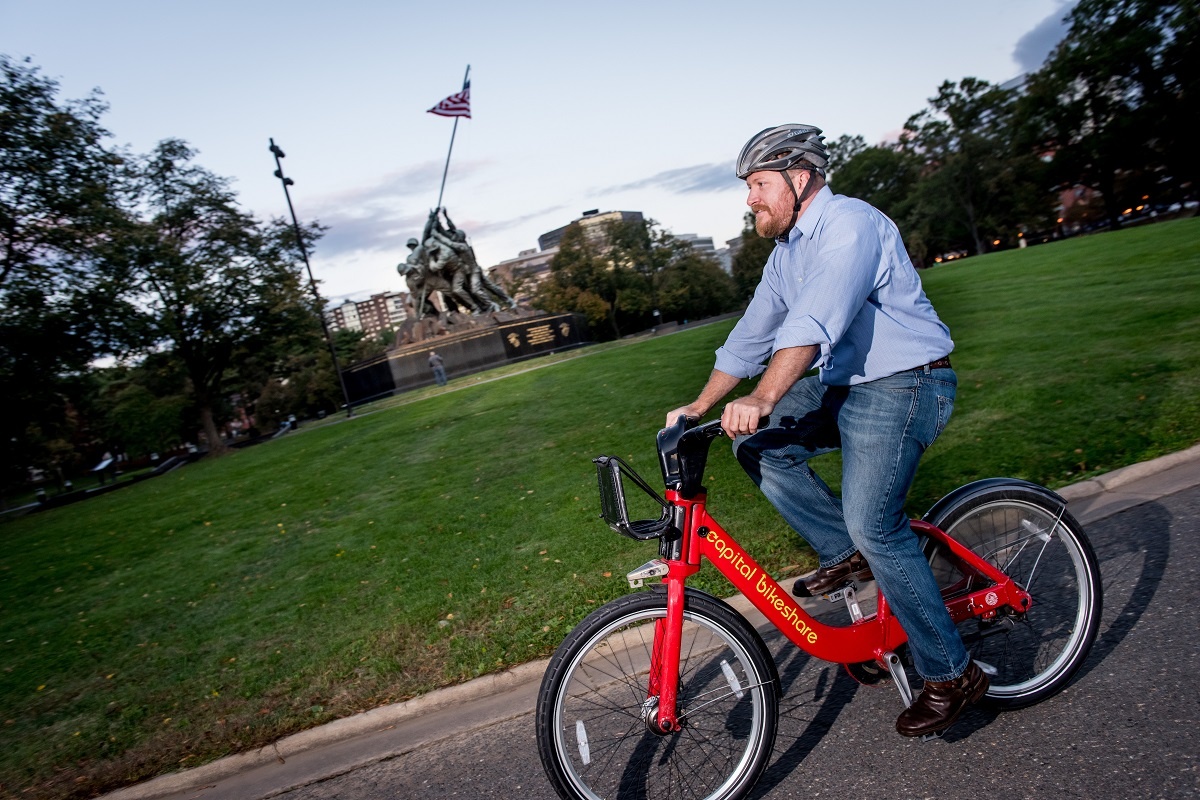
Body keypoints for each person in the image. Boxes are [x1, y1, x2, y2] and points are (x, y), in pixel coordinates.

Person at [666, 124, 986, 738]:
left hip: (905, 381)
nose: (750, 198)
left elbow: (813, 322)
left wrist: (763, 394)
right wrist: (700, 404)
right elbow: (756, 330)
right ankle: (845, 552)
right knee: (756, 443)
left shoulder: (850, 225)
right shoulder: (788, 253)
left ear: (800, 177)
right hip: (847, 385)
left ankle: (951, 672)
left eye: (759, 184)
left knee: (877, 523)